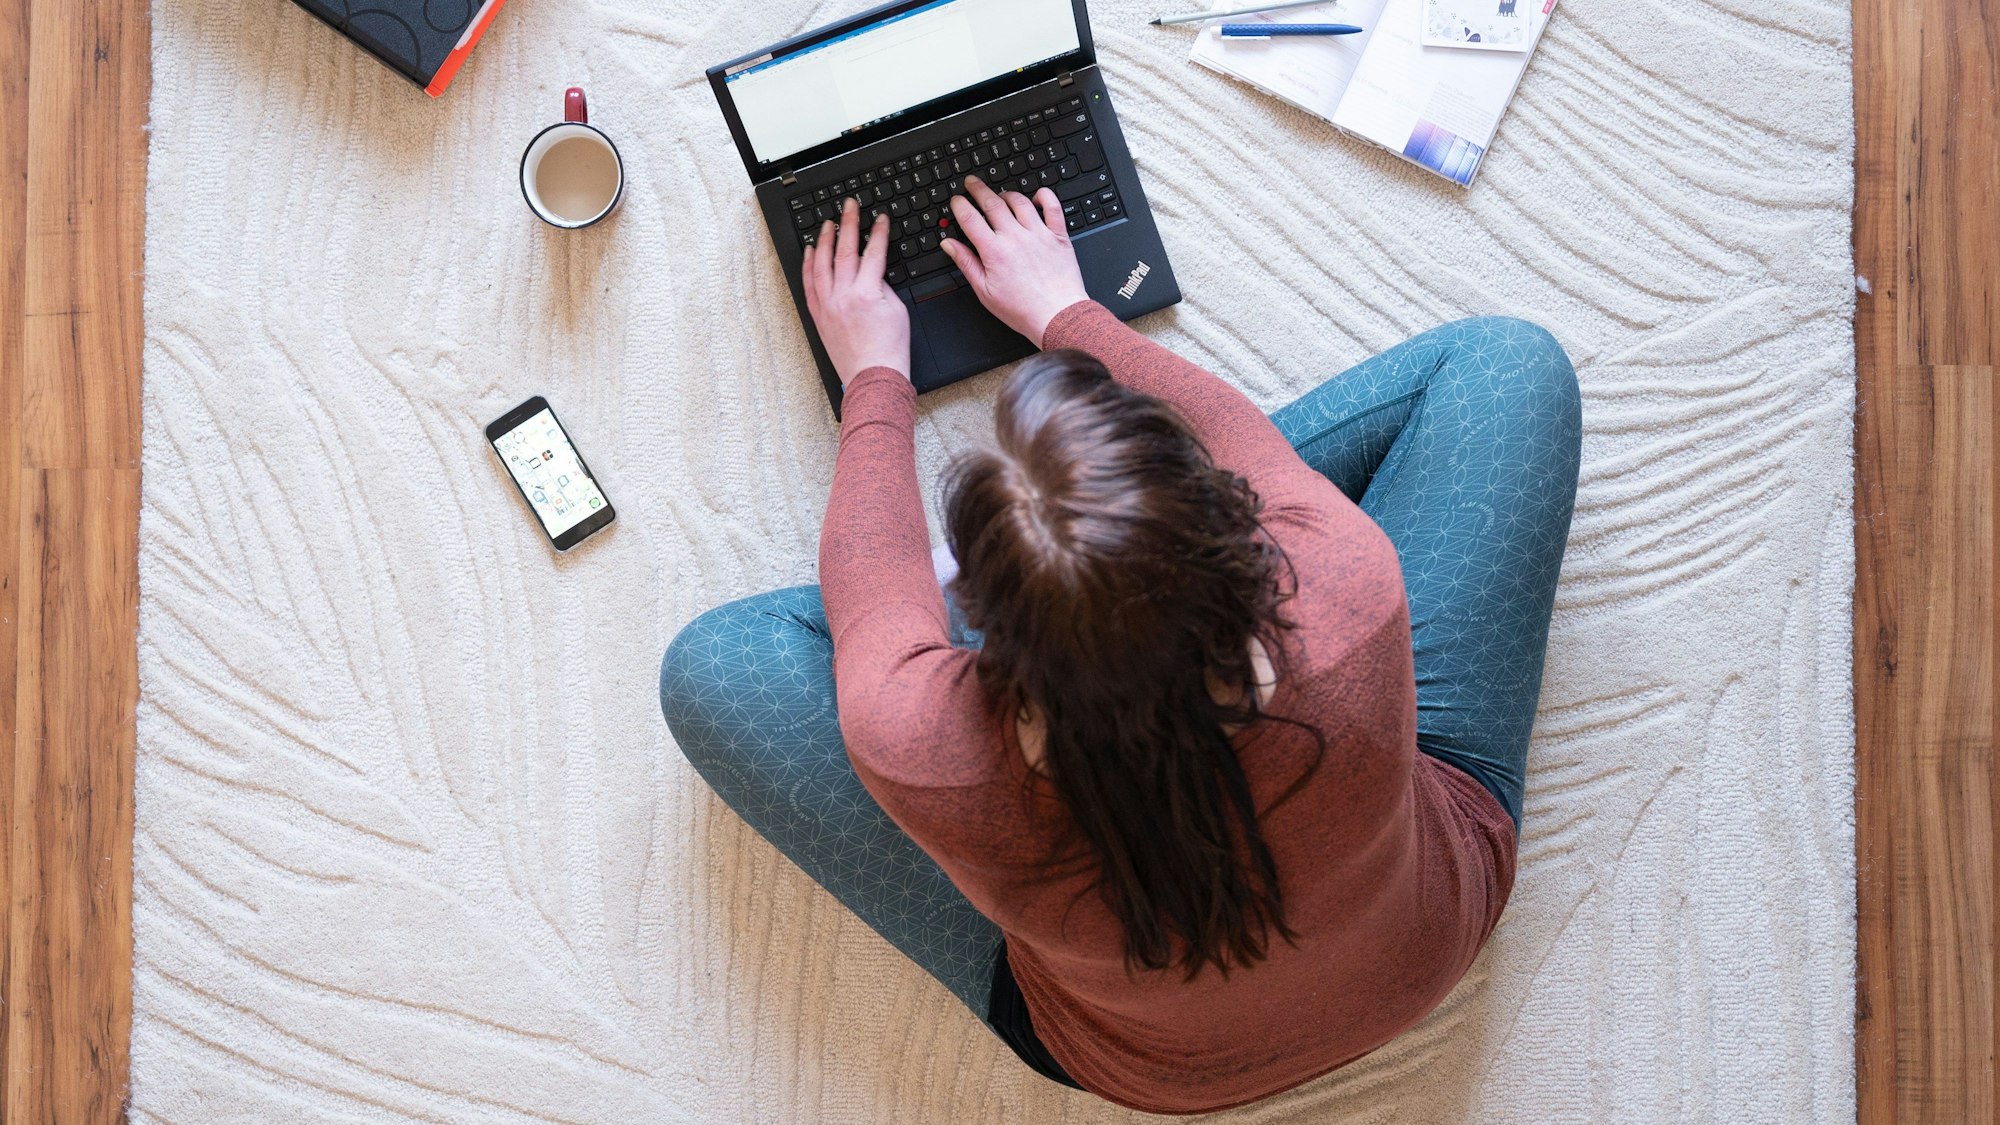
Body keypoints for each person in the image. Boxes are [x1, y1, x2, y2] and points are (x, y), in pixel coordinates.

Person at [660, 175, 1580, 1115]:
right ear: (1235, 524)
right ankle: (1098, 591)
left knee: (710, 663)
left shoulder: (925, 743)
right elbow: (1236, 433)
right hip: (1421, 944)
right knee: (1507, 363)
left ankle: (1075, 614)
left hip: (1147, 1066)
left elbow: (876, 596)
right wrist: (1068, 309)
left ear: (974, 615)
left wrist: (874, 377)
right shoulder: (1341, 585)